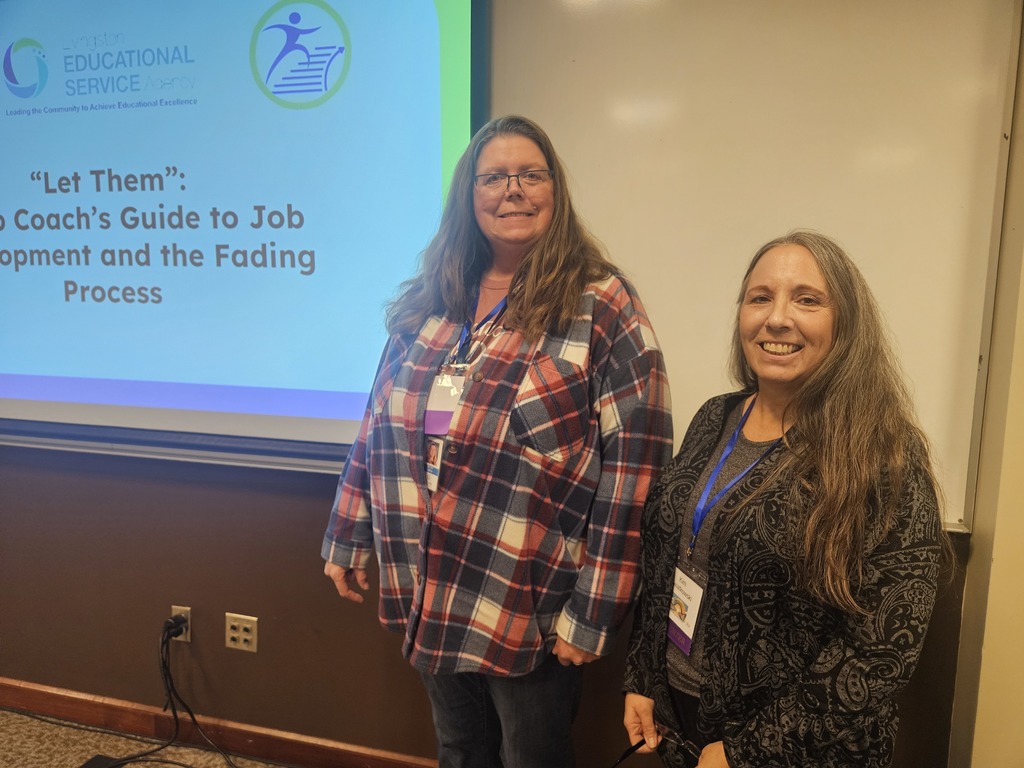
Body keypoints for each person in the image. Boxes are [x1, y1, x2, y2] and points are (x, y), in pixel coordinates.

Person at [322, 114, 673, 768]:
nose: (512, 190)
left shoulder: (601, 303)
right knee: (460, 750)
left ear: (554, 191)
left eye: (530, 175)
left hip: (528, 596)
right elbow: (378, 421)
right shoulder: (432, 298)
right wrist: (349, 531)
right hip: (428, 574)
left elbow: (637, 469)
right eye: (493, 177)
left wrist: (594, 611)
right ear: (469, 196)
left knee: (530, 758)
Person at [622, 231, 947, 768]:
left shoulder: (883, 453)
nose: (776, 318)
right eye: (760, 297)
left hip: (798, 751)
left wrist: (747, 753)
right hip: (684, 722)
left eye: (807, 299)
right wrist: (644, 678)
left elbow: (881, 651)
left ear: (845, 323)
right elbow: (668, 561)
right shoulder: (714, 418)